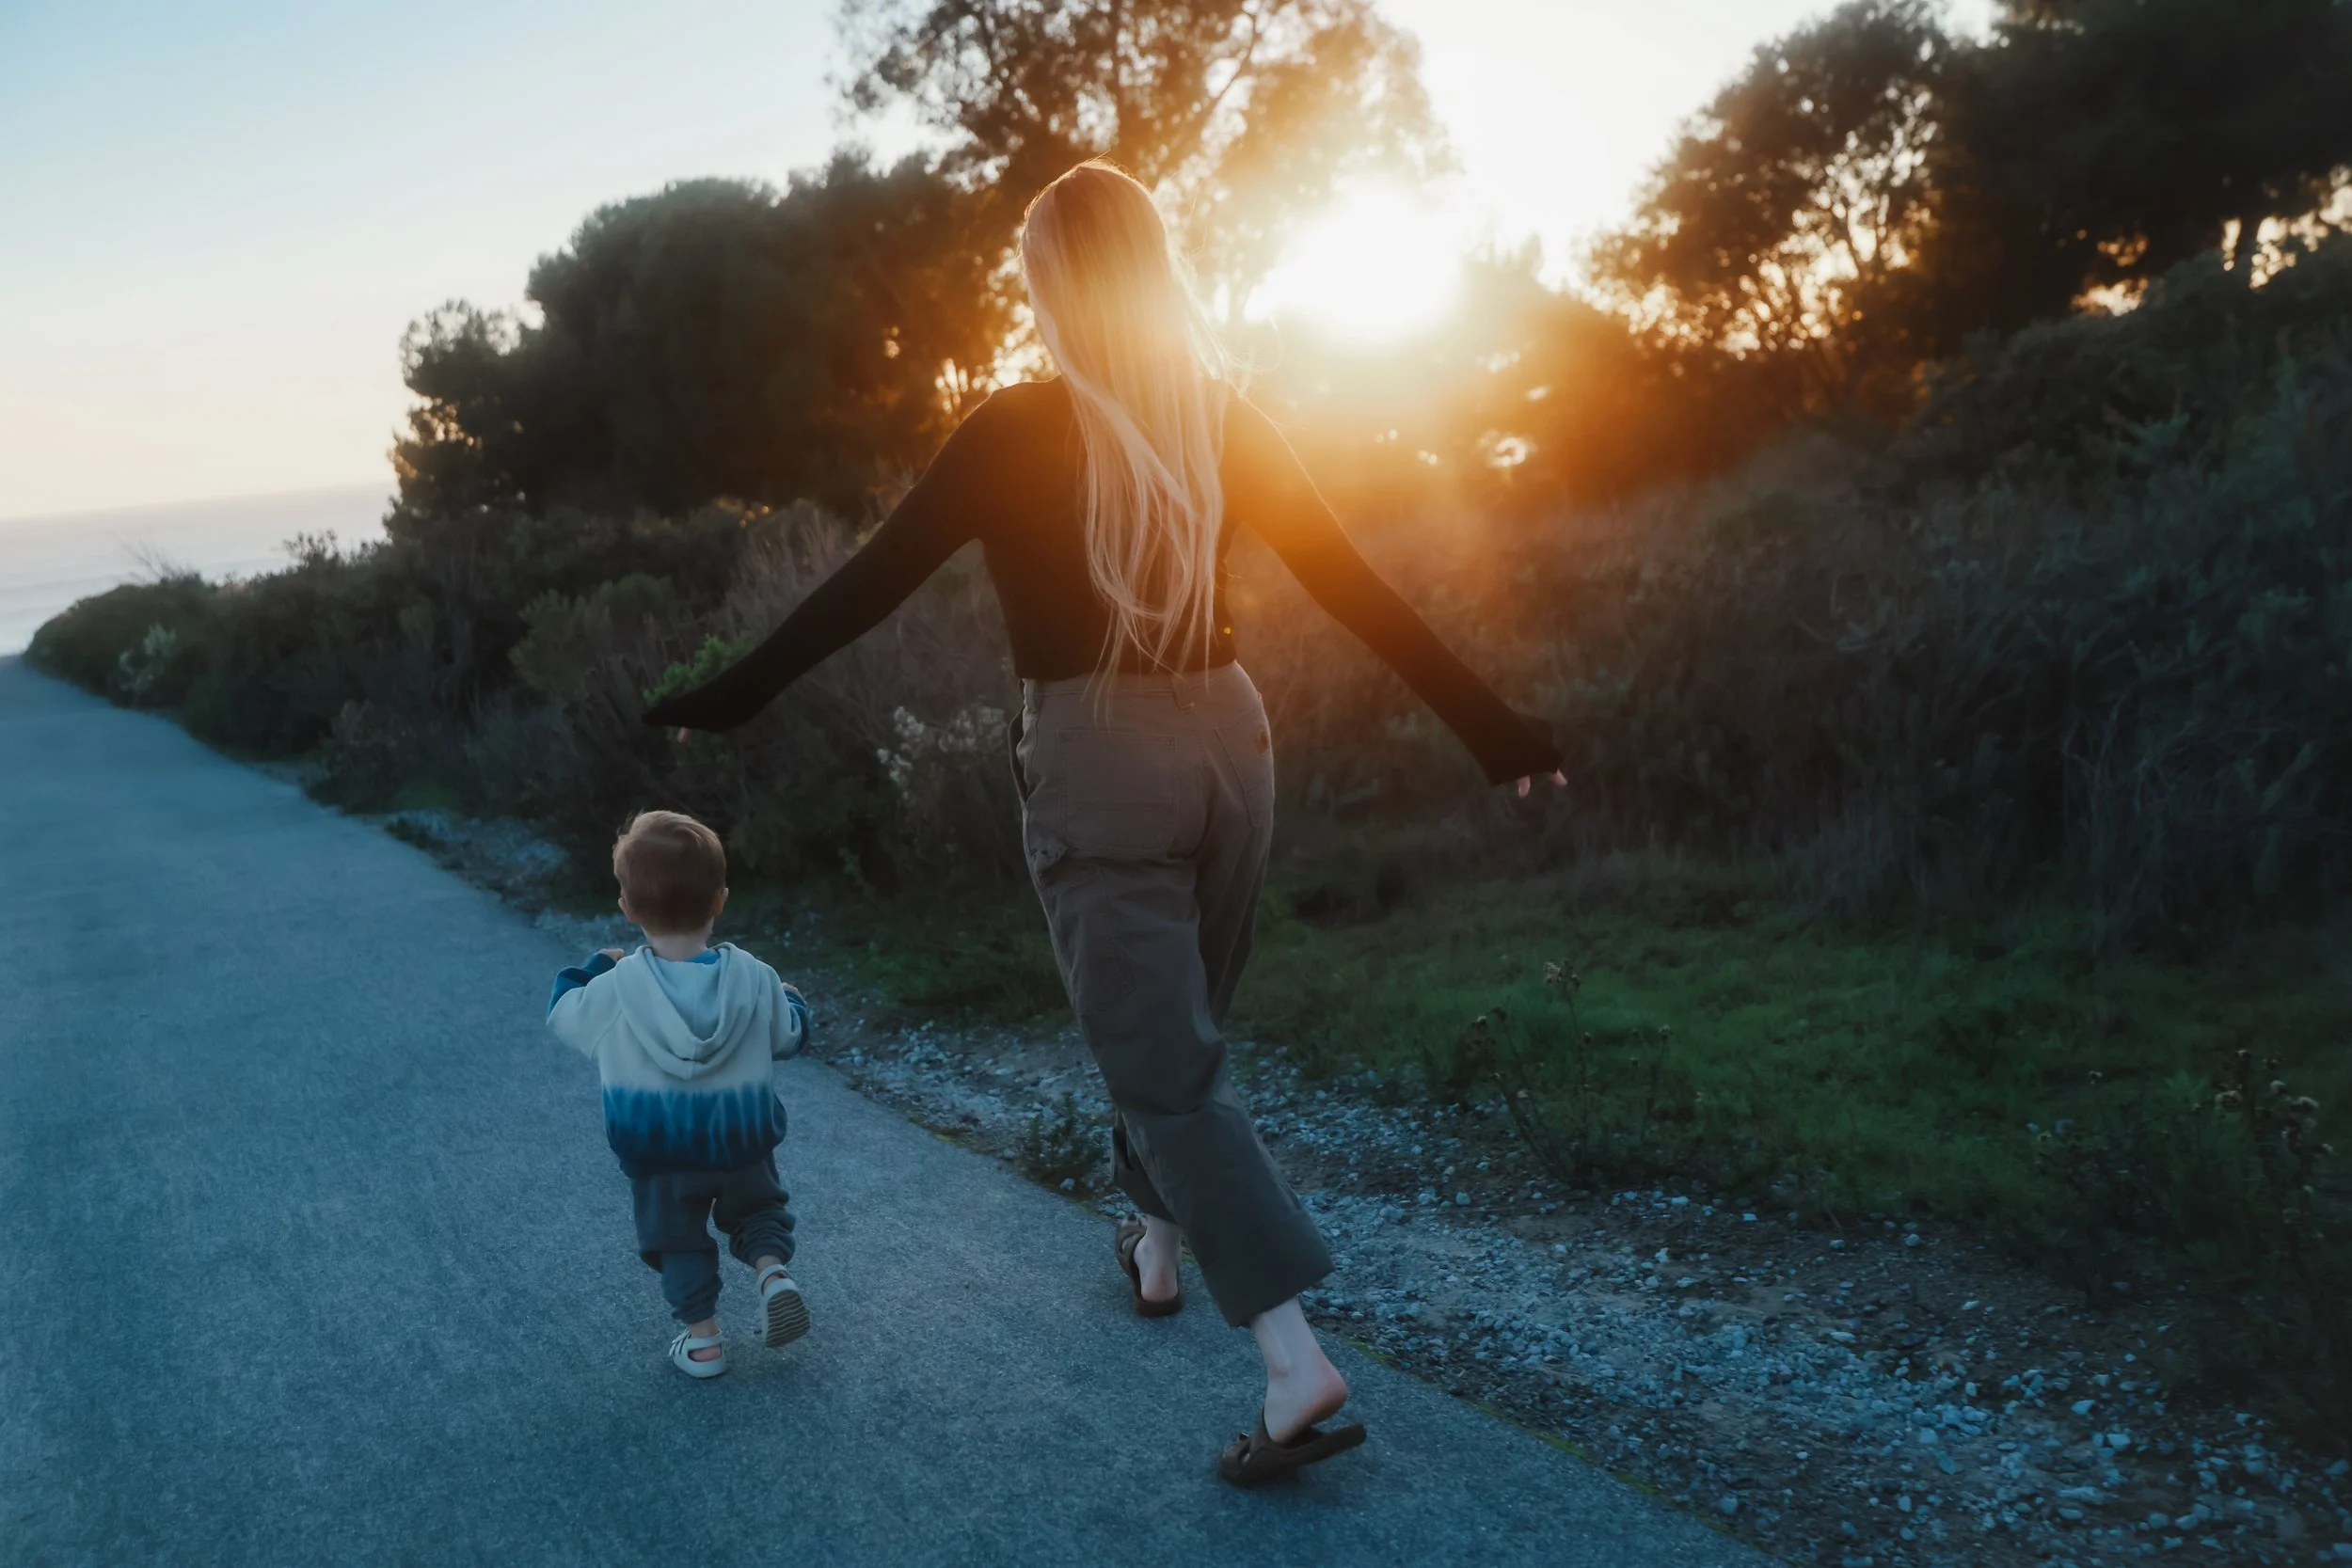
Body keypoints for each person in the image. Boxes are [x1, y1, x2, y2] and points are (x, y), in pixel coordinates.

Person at [644, 162, 1565, 1478]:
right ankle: (1153, 1241)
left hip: (1097, 752)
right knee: (1175, 1030)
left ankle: (1294, 1361)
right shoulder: (1218, 416)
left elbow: (861, 590)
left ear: (1050, 286)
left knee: (1165, 1064)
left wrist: (723, 700)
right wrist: (1497, 727)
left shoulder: (1012, 428)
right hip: (1233, 741)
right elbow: (1355, 584)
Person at [547, 809, 813, 1379]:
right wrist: (792, 1000)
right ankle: (772, 1273)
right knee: (758, 1208)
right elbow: (789, 1038)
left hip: (660, 1152)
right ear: (720, 900)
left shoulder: (614, 990)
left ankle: (704, 1342)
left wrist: (593, 967)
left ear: (628, 909)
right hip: (741, 1139)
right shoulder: (755, 976)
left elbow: (562, 1016)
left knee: (678, 1238)